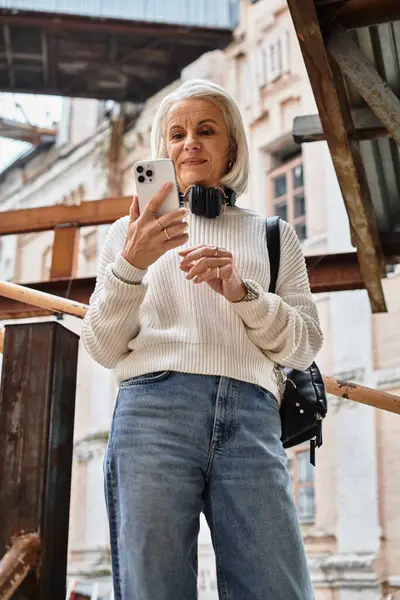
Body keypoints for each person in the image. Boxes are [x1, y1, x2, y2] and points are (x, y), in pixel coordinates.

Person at [82, 79, 323, 600]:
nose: (190, 142)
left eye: (206, 130)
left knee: (278, 589)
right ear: (163, 150)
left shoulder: (272, 234)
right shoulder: (124, 237)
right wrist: (131, 265)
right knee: (154, 590)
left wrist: (242, 292)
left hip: (253, 417)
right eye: (176, 133)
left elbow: (303, 345)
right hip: (152, 415)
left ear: (230, 146)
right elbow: (101, 346)